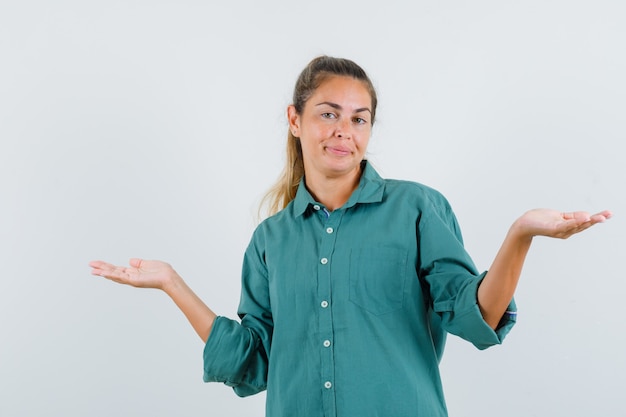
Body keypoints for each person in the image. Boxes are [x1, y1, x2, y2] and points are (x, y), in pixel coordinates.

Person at [89, 55, 612, 417]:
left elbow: (477, 317)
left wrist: (520, 234)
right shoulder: (270, 240)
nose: (344, 130)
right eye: (328, 114)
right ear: (295, 120)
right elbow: (252, 361)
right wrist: (172, 283)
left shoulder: (417, 209)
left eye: (359, 119)